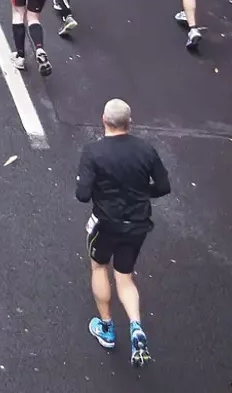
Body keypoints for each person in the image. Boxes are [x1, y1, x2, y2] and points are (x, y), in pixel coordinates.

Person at [76, 99, 171, 366]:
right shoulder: (146, 150)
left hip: (106, 224)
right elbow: (163, 186)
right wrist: (141, 193)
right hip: (138, 223)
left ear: (103, 119)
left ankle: (107, 329)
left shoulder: (93, 152)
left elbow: (82, 194)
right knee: (125, 277)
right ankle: (136, 326)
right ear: (129, 122)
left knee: (99, 268)